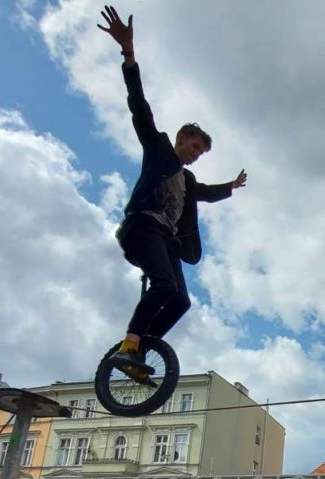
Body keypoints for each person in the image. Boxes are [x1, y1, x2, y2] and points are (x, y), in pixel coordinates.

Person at [97, 6, 247, 380]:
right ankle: (130, 342)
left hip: (165, 240)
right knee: (164, 284)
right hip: (142, 229)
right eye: (193, 146)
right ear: (181, 139)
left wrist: (230, 186)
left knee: (180, 300)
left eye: (200, 152)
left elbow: (207, 194)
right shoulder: (159, 150)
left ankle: (138, 352)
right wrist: (129, 56)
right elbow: (139, 108)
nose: (195, 154)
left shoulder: (188, 181)